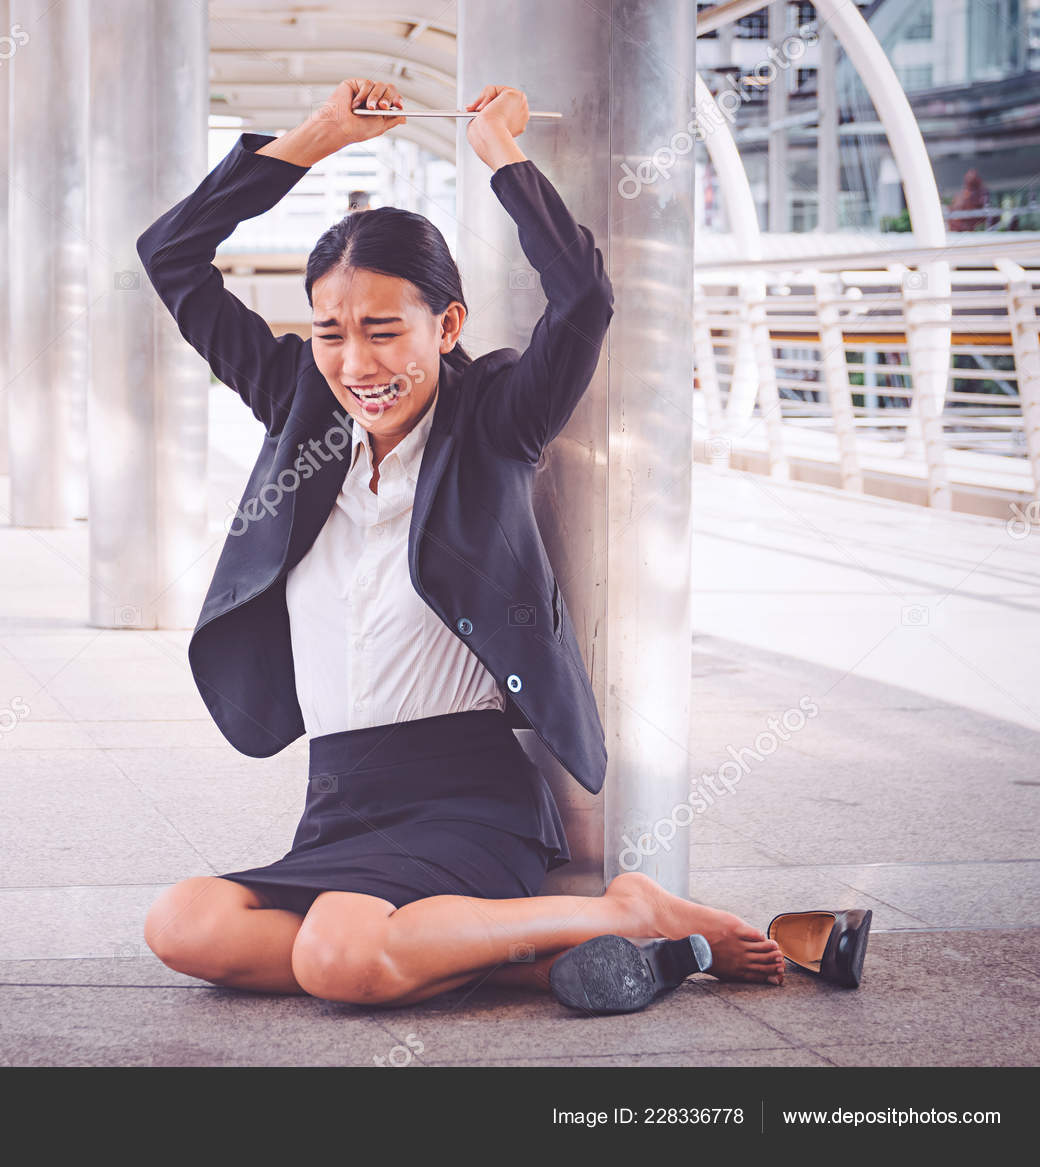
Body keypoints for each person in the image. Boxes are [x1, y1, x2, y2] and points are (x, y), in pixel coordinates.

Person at [136, 78, 784, 1009]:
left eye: (385, 332)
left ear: (447, 326)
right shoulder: (296, 408)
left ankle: (623, 913)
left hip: (466, 797)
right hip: (339, 797)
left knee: (337, 959)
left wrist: (501, 155)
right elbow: (171, 256)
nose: (357, 364)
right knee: (183, 924)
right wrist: (315, 140)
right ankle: (514, 956)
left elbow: (583, 297)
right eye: (331, 333)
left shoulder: (494, 419)